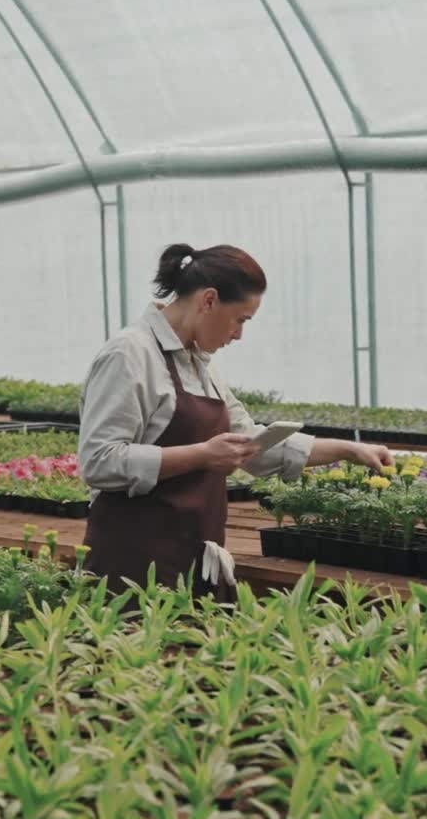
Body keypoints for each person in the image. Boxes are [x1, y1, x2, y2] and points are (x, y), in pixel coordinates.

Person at [79, 243, 393, 600]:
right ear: (209, 300)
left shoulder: (199, 364)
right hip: (131, 564)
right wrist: (201, 454)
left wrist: (348, 450)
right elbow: (99, 461)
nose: (239, 334)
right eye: (240, 319)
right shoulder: (129, 354)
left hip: (191, 557)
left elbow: (250, 444)